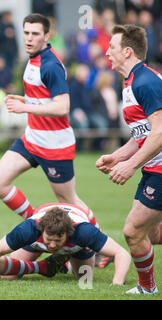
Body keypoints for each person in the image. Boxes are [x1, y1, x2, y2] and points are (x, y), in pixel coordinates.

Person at [0, 13, 90, 221]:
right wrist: (24, 100)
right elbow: (44, 98)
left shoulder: (50, 65)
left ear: (46, 36)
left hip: (55, 145)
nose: (29, 38)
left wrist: (25, 108)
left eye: (35, 34)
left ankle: (98, 243)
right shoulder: (32, 58)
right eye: (26, 32)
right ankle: (36, 223)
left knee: (69, 200)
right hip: (32, 139)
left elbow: (63, 107)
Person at [96, 24, 162, 295]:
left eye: (111, 47)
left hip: (159, 170)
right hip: (152, 168)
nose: (107, 52)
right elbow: (142, 135)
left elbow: (160, 132)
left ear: (127, 51)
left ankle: (147, 288)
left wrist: (130, 165)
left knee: (134, 231)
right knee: (150, 233)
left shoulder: (145, 81)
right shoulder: (131, 82)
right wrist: (118, 156)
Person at [0, 203, 131, 284]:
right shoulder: (29, 230)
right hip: (38, 240)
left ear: (68, 234)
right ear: (41, 230)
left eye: (57, 240)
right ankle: (58, 261)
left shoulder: (83, 232)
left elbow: (122, 253)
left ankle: (68, 262)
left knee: (84, 279)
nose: (51, 246)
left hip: (77, 244)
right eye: (48, 239)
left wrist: (117, 284)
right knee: (8, 277)